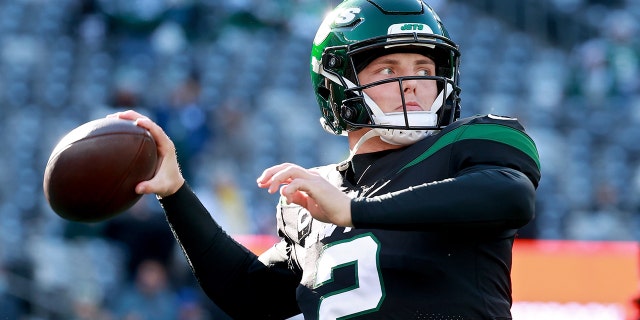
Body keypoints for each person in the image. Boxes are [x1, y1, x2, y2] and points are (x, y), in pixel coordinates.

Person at [111, 0, 541, 318]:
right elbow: (248, 295)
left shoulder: (475, 141)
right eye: (389, 71)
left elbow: (510, 196)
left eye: (425, 70)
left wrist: (354, 211)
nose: (414, 84)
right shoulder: (316, 198)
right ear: (338, 87)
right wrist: (175, 193)